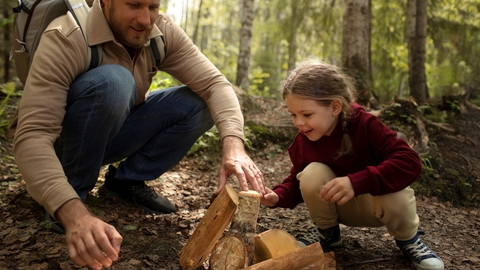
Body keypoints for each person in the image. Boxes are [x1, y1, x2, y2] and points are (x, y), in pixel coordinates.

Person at [11, 0, 265, 269]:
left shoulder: (161, 32)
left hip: (113, 129)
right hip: (62, 143)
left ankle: (125, 182)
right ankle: (71, 192)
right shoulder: (67, 35)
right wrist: (72, 214)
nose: (145, 19)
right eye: (134, 5)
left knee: (199, 102)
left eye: (153, 7)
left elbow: (215, 84)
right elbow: (33, 135)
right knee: (115, 82)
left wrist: (234, 146)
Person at [260, 60, 444, 270]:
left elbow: (409, 161)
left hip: (376, 205)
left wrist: (355, 182)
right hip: (337, 207)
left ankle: (409, 240)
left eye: (307, 115)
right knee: (311, 173)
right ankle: (328, 233)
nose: (298, 123)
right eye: (293, 115)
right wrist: (278, 196)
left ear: (335, 107)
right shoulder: (305, 139)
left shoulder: (365, 125)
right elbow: (296, 179)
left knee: (397, 193)